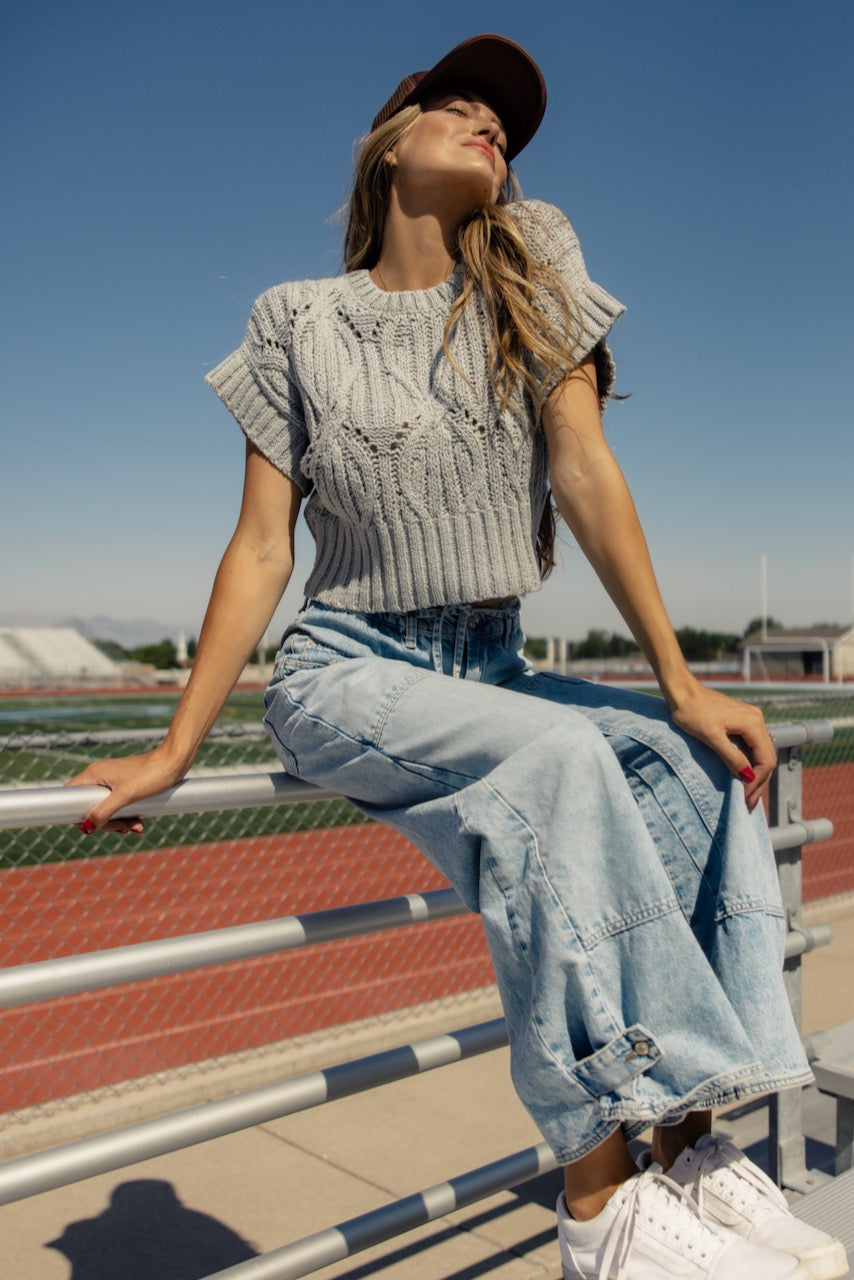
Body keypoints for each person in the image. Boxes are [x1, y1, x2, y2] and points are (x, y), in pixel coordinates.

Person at [70, 34, 847, 1280]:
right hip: (350, 665)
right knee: (556, 765)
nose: (492, 125)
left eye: (508, 125)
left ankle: (692, 1158)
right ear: (390, 140)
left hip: (486, 663)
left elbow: (586, 476)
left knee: (689, 773)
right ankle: (597, 1208)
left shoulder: (532, 271)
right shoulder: (293, 319)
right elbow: (261, 549)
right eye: (461, 106)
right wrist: (175, 742)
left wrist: (677, 681)